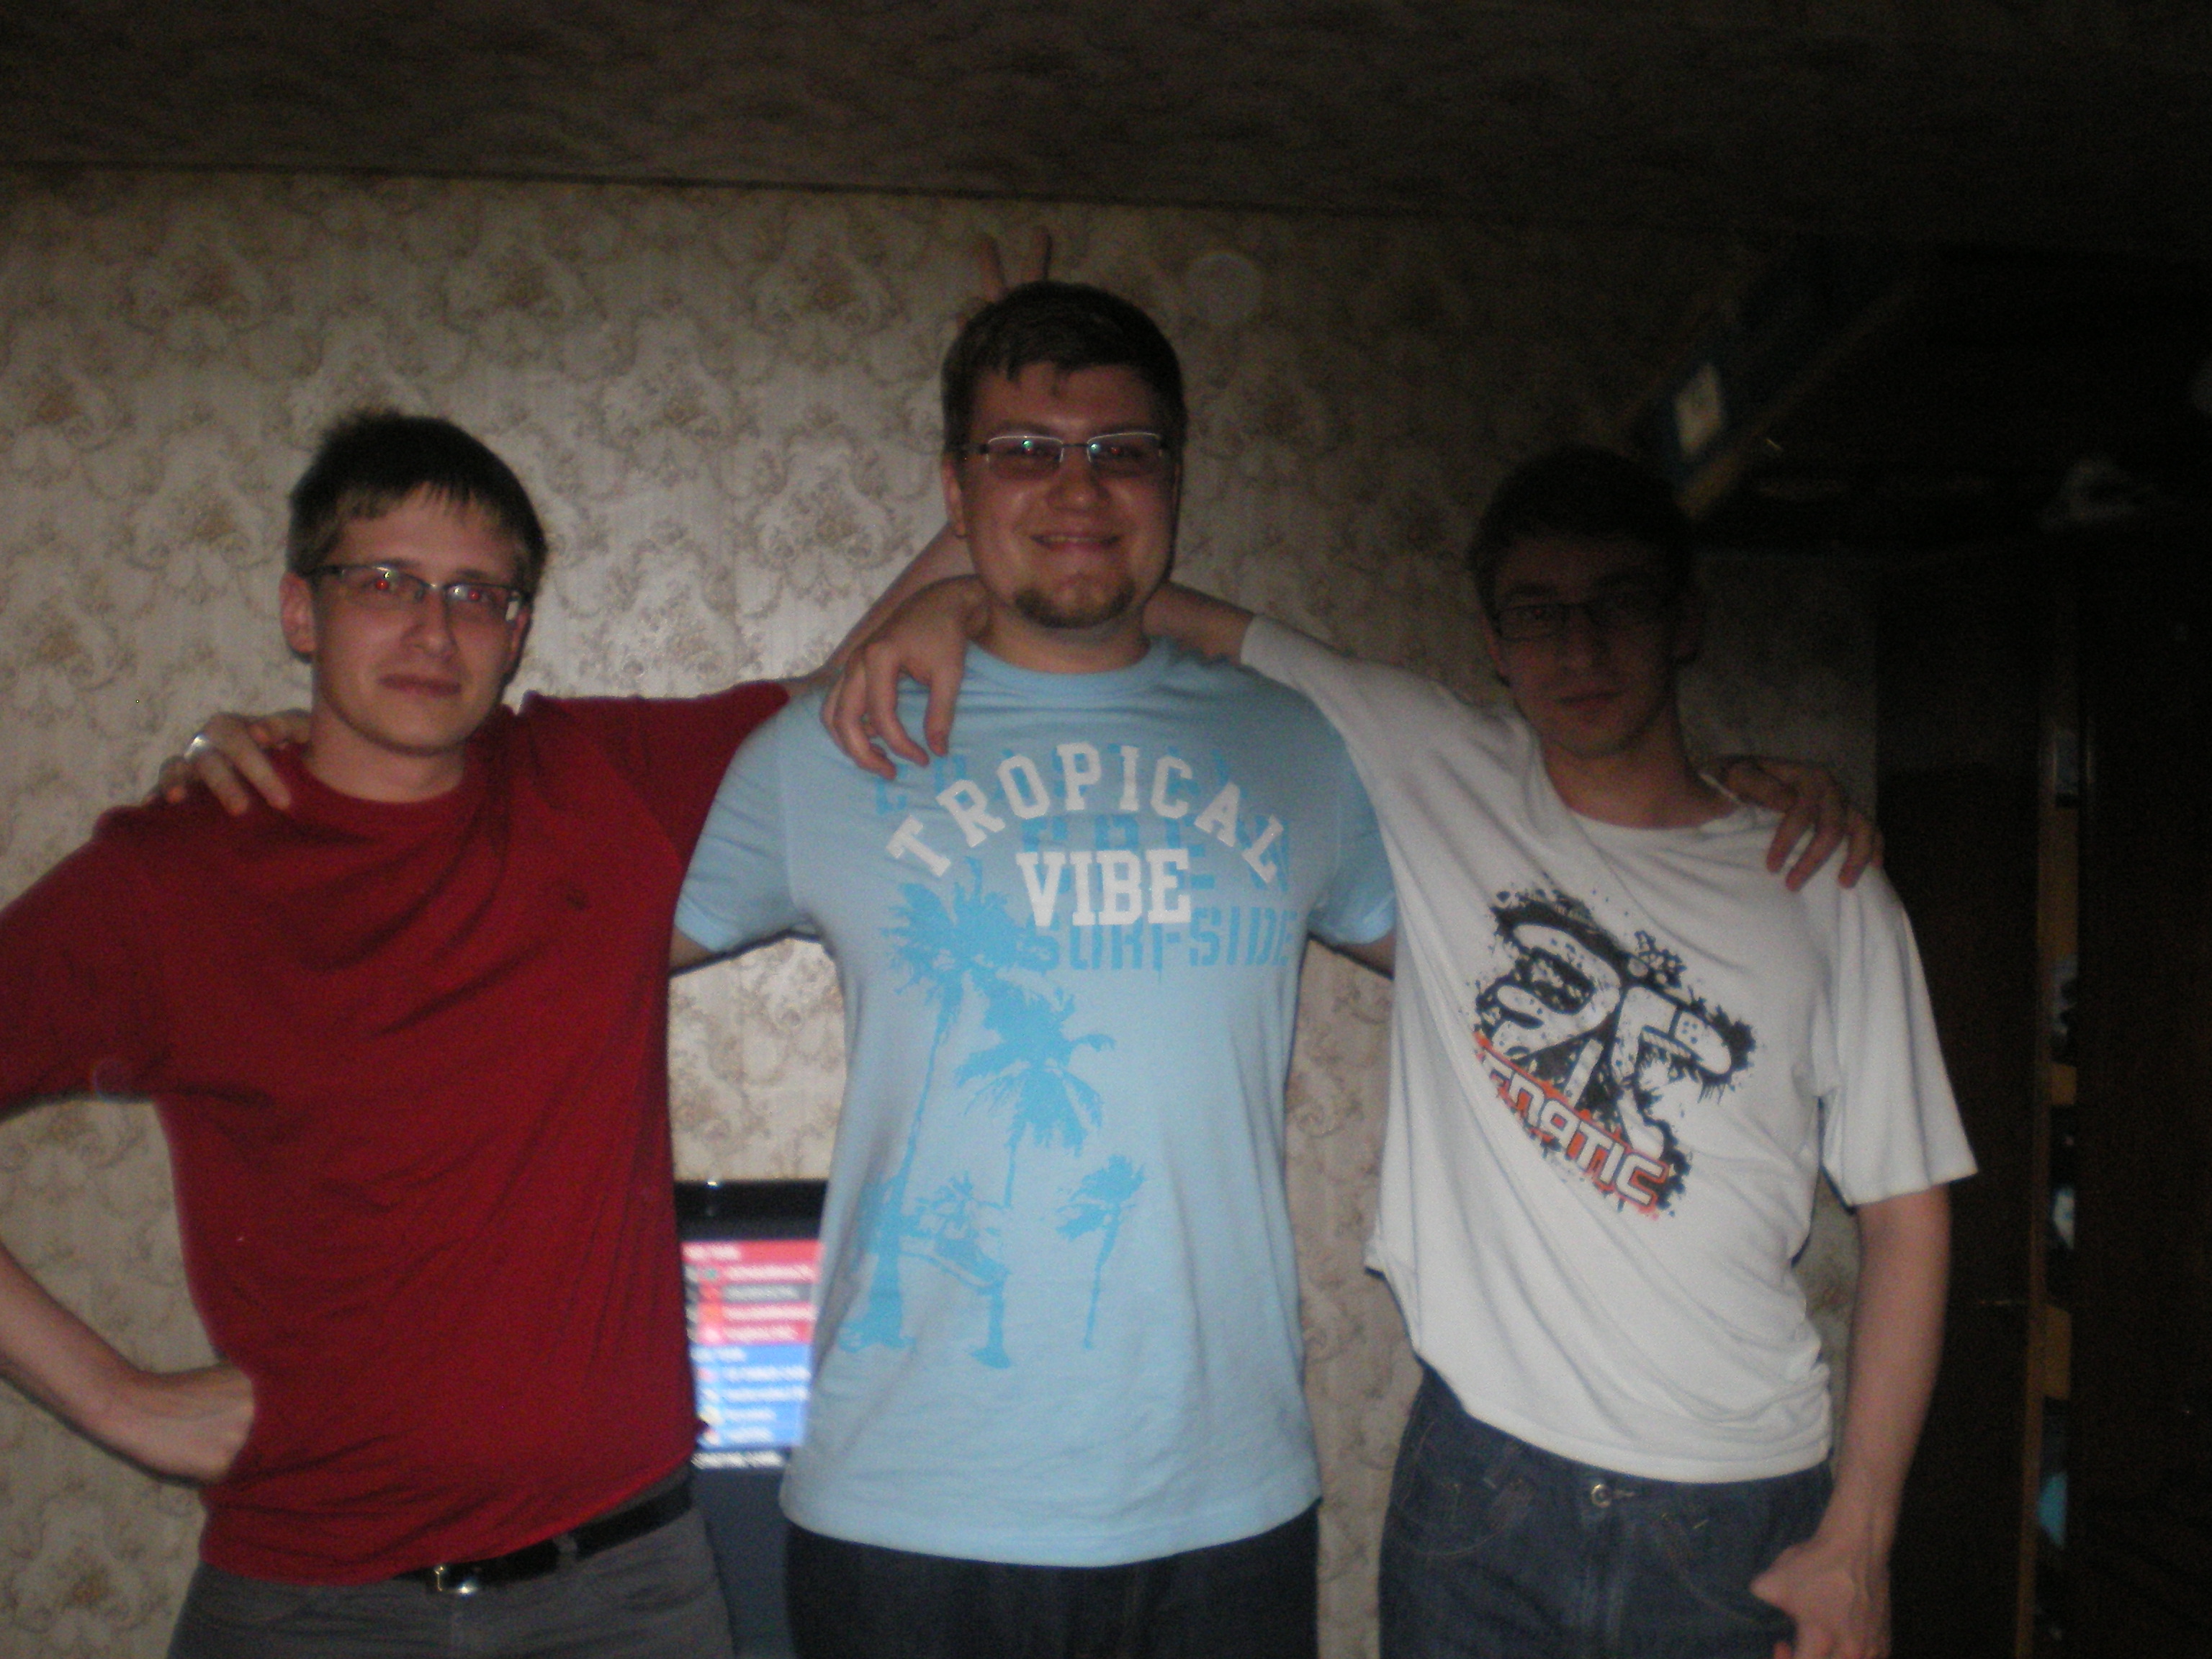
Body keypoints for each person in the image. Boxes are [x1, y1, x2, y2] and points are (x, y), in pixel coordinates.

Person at [827, 443, 1966, 1659]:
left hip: (1734, 1508)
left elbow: (1909, 1216)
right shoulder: (1438, 765)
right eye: (1538, 613)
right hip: (1482, 1496)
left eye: (1619, 602)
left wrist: (1860, 1540)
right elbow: (1162, 610)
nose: (1579, 648)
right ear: (1494, 642)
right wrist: (963, 599)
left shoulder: (1821, 882)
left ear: (1684, 620)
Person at [671, 280, 1400, 1659]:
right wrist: (331, 766)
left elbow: (1504, 924)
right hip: (908, 1514)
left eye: (1122, 449)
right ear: (955, 488)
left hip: (1221, 1506)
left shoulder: (1300, 749)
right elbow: (557, 934)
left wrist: (1738, 808)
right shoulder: (827, 752)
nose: (1078, 488)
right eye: (1025, 451)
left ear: (1175, 481)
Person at [0, 413, 791, 1658]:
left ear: (517, 633)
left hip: (630, 1593)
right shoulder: (172, 878)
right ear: (300, 611)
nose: (434, 631)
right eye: (384, 583)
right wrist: (114, 1399)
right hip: (314, 1606)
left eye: (478, 594)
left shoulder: (595, 785)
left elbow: (881, 676)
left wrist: (968, 550)